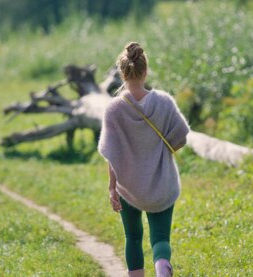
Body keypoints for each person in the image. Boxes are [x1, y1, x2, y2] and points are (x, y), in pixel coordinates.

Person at [97, 42, 190, 277]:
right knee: (160, 238)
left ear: (122, 73)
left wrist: (112, 187)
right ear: (145, 71)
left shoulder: (114, 109)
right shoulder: (164, 102)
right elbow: (180, 138)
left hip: (128, 186)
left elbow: (112, 153)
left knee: (133, 237)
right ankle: (162, 269)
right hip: (161, 184)